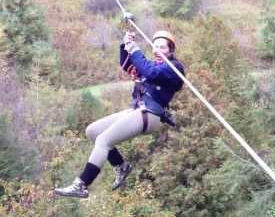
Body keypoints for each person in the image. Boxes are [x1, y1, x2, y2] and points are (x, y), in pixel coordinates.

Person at [54, 30, 185, 198]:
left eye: (163, 48)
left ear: (171, 51)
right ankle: (121, 166)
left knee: (103, 140)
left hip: (150, 115)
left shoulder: (174, 68)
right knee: (93, 131)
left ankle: (81, 184)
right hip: (138, 110)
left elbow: (151, 72)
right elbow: (128, 65)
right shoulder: (153, 66)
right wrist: (125, 45)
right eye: (156, 47)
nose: (158, 50)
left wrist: (136, 50)